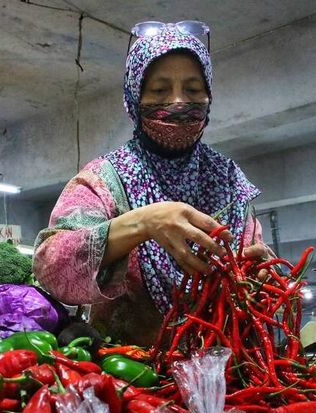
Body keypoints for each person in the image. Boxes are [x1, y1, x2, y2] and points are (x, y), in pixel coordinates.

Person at [34, 22, 270, 346]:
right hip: (131, 381)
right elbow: (52, 269)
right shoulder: (104, 179)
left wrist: (261, 280)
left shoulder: (228, 181)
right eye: (159, 90)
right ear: (134, 97)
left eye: (192, 89)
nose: (177, 102)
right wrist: (143, 223)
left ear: (208, 95)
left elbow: (255, 277)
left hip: (225, 378)